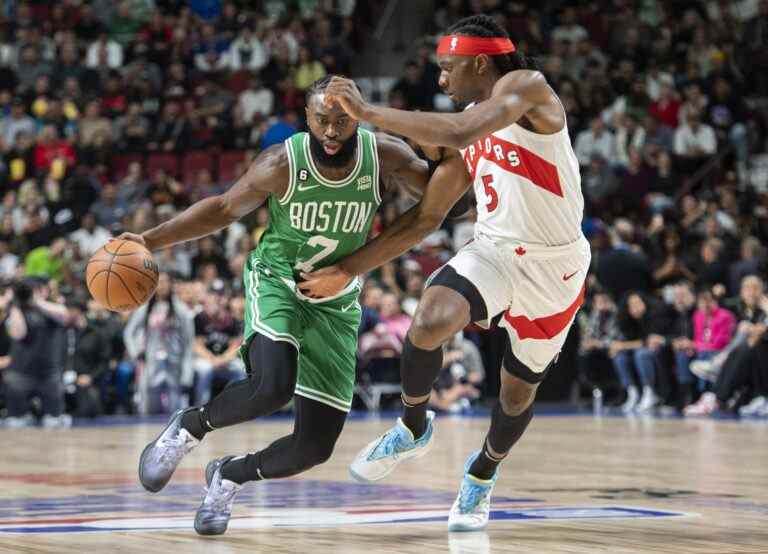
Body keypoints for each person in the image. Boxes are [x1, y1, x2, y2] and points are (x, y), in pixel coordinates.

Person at [118, 75, 467, 536]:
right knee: (272, 386)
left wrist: (448, 151)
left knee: (314, 447)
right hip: (279, 280)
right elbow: (224, 209)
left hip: (337, 301)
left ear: (357, 117)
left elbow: (449, 205)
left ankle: (228, 476)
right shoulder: (282, 162)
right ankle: (188, 427)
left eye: (342, 121)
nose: (331, 130)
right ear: (306, 118)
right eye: (322, 119)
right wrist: (148, 239)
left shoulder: (384, 154)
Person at [299, 15, 590, 531]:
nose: (440, 80)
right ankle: (412, 427)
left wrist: (368, 113)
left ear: (480, 62)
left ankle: (482, 473)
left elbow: (459, 128)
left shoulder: (525, 87)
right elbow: (428, 218)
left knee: (516, 394)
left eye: (447, 68)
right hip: (496, 249)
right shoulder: (468, 131)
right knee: (430, 317)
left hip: (556, 267)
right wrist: (348, 269)